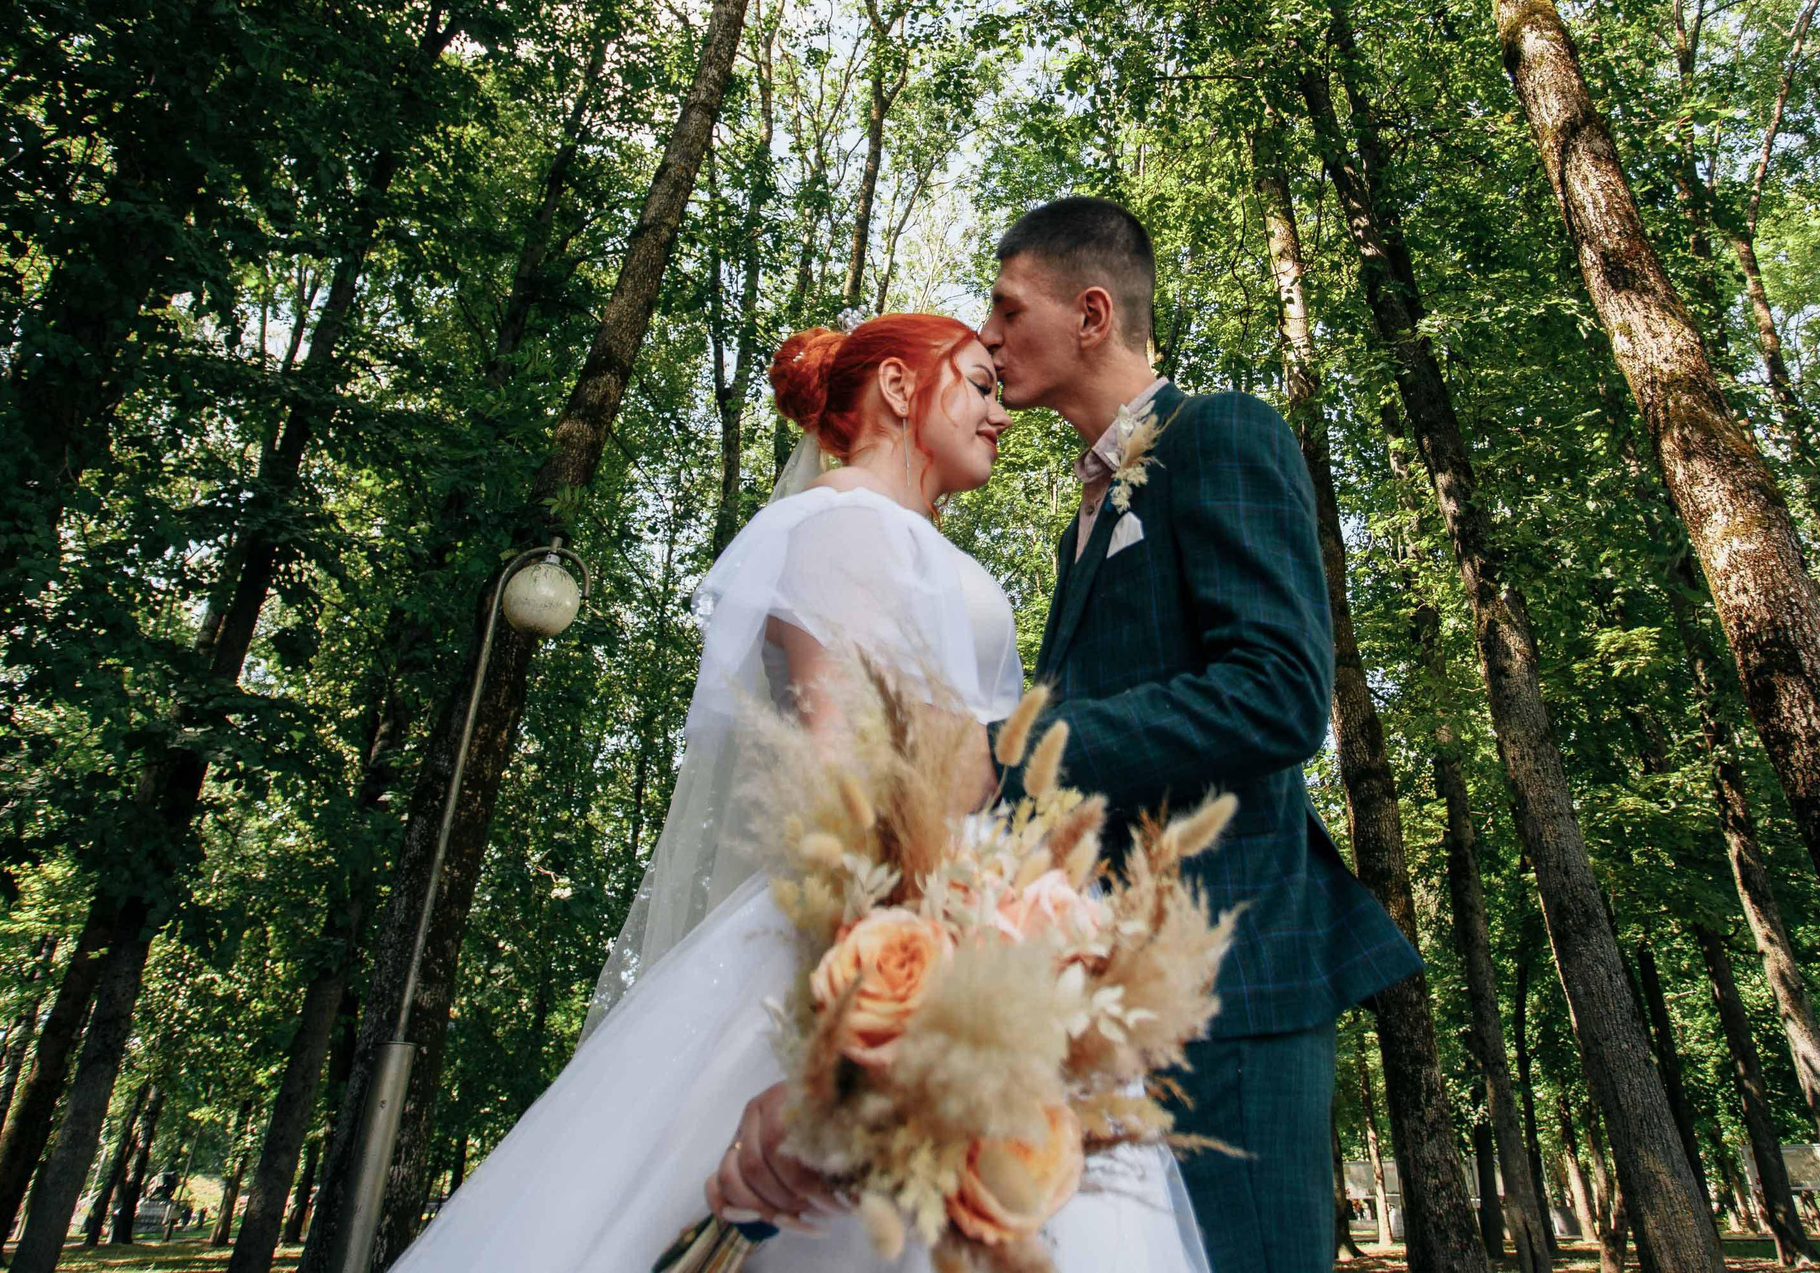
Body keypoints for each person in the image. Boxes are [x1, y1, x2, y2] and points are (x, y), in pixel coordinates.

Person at [388, 312, 1208, 1273]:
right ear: (902, 390)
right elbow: (848, 794)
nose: (1000, 413)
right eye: (979, 385)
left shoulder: (901, 536)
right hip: (874, 938)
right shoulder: (842, 525)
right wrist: (863, 1035)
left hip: (969, 927)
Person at [980, 197, 1420, 1273]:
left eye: (1003, 309)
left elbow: (1276, 693)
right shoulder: (1078, 521)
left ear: (1091, 313)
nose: (985, 339)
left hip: (1234, 970)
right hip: (1110, 977)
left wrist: (1012, 747)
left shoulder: (1220, 433)